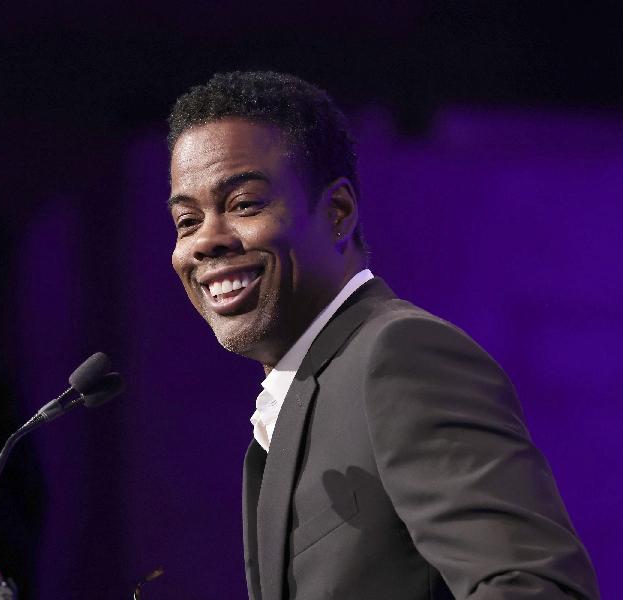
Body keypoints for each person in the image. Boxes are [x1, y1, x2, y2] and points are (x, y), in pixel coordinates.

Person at [166, 71, 600, 600]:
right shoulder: (304, 392)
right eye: (187, 221)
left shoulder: (399, 356)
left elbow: (535, 587)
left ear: (338, 212)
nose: (205, 241)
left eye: (245, 204)